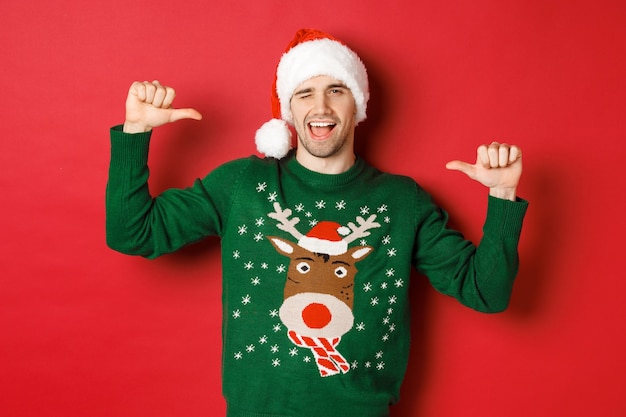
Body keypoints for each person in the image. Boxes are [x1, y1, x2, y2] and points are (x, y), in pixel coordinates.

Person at [106, 28, 528, 417]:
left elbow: (485, 293)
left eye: (335, 90)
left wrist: (502, 196)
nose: (320, 107)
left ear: (358, 103)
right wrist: (135, 131)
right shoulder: (242, 184)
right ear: (289, 107)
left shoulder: (403, 202)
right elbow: (132, 233)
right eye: (304, 93)